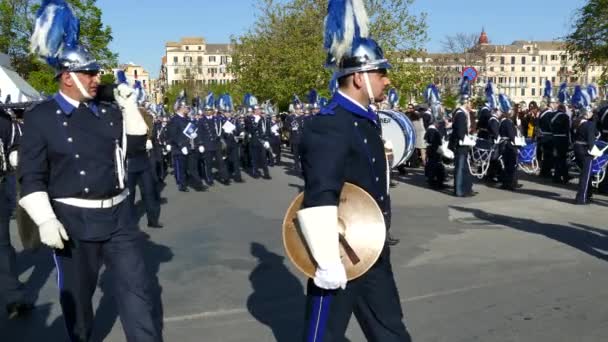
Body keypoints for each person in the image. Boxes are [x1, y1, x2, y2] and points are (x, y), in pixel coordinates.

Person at [20, 2, 162, 340]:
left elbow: (139, 148)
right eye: (90, 73)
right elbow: (31, 175)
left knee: (137, 292)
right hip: (72, 220)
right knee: (79, 302)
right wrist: (44, 218)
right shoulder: (40, 117)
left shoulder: (109, 111)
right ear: (68, 77)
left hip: (119, 217)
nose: (98, 78)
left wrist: (129, 106)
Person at [297, 1, 412, 340]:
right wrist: (327, 260)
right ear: (360, 78)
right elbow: (321, 192)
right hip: (338, 253)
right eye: (381, 73)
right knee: (322, 336)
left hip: (372, 248)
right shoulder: (331, 125)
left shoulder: (364, 120)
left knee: (391, 329)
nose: (387, 80)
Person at [0, 106, 33, 319]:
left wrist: (15, 156)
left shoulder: (2, 118)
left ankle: (13, 298)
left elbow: (15, 143)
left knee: (2, 247)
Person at [449, 76, 476, 197]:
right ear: (465, 102)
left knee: (464, 166)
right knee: (460, 167)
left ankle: (465, 188)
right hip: (461, 144)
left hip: (462, 143)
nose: (471, 104)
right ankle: (459, 190)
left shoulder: (462, 113)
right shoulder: (460, 114)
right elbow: (460, 132)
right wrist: (467, 139)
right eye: (470, 102)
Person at [572, 86, 597, 204]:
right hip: (586, 150)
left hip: (577, 148)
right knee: (586, 176)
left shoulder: (576, 123)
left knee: (583, 173)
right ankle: (581, 198)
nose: (592, 113)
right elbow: (591, 142)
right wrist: (595, 152)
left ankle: (588, 194)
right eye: (590, 111)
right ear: (587, 113)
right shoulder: (589, 125)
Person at [497, 94, 521, 190]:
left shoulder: (504, 121)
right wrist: (518, 143)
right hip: (509, 146)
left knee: (508, 165)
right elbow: (512, 136)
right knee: (511, 165)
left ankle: (510, 182)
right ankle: (509, 183)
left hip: (505, 145)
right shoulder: (507, 122)